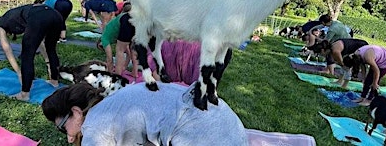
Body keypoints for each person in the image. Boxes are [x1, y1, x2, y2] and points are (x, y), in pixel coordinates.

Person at [41, 82, 248, 145]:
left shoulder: (94, 128)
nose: (68, 138)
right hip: (232, 130)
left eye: (62, 128)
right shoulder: (114, 103)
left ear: (76, 112)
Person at [0, 3, 64, 101]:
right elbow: (40, 41)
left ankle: (24, 94)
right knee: (51, 48)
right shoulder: (14, 18)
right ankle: (54, 81)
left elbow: (7, 48)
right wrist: (48, 62)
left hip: (39, 16)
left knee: (27, 56)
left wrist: (19, 72)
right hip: (55, 15)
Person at [97, 2, 138, 79]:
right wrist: (124, 67)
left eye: (102, 47)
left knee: (119, 51)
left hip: (125, 20)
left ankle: (117, 76)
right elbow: (128, 54)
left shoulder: (104, 38)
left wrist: (109, 73)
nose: (105, 48)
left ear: (100, 43)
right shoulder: (114, 36)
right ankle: (134, 73)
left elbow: (109, 60)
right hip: (134, 18)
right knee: (133, 50)